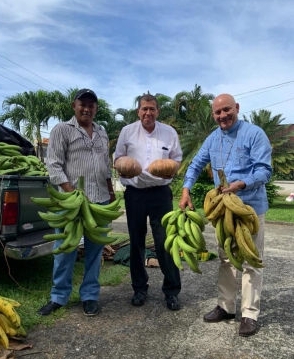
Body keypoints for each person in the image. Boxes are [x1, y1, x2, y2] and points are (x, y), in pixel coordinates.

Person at [179, 93, 272, 337]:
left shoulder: (254, 134)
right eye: (218, 112)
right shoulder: (212, 139)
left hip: (249, 208)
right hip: (224, 210)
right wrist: (186, 189)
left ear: (237, 108)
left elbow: (264, 171)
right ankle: (226, 306)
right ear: (213, 115)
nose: (223, 116)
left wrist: (240, 183)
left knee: (251, 259)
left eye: (227, 110)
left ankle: (249, 314)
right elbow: (196, 164)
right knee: (227, 258)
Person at [37, 88, 115, 317]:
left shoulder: (101, 132)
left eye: (91, 105)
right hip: (71, 202)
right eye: (83, 104)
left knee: (94, 251)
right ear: (74, 105)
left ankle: (90, 295)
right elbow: (53, 165)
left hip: (99, 200)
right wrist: (71, 192)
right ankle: (58, 296)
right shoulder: (62, 130)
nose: (87, 108)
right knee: (64, 249)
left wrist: (110, 192)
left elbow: (106, 166)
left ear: (96, 109)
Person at [114, 94, 182, 310]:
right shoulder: (127, 131)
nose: (148, 113)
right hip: (134, 193)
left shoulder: (169, 133)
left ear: (158, 111)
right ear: (138, 111)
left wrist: (170, 167)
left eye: (152, 109)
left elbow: (177, 159)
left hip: (160, 193)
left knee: (165, 242)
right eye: (144, 109)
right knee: (136, 242)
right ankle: (139, 288)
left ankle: (171, 291)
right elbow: (117, 159)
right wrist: (123, 165)